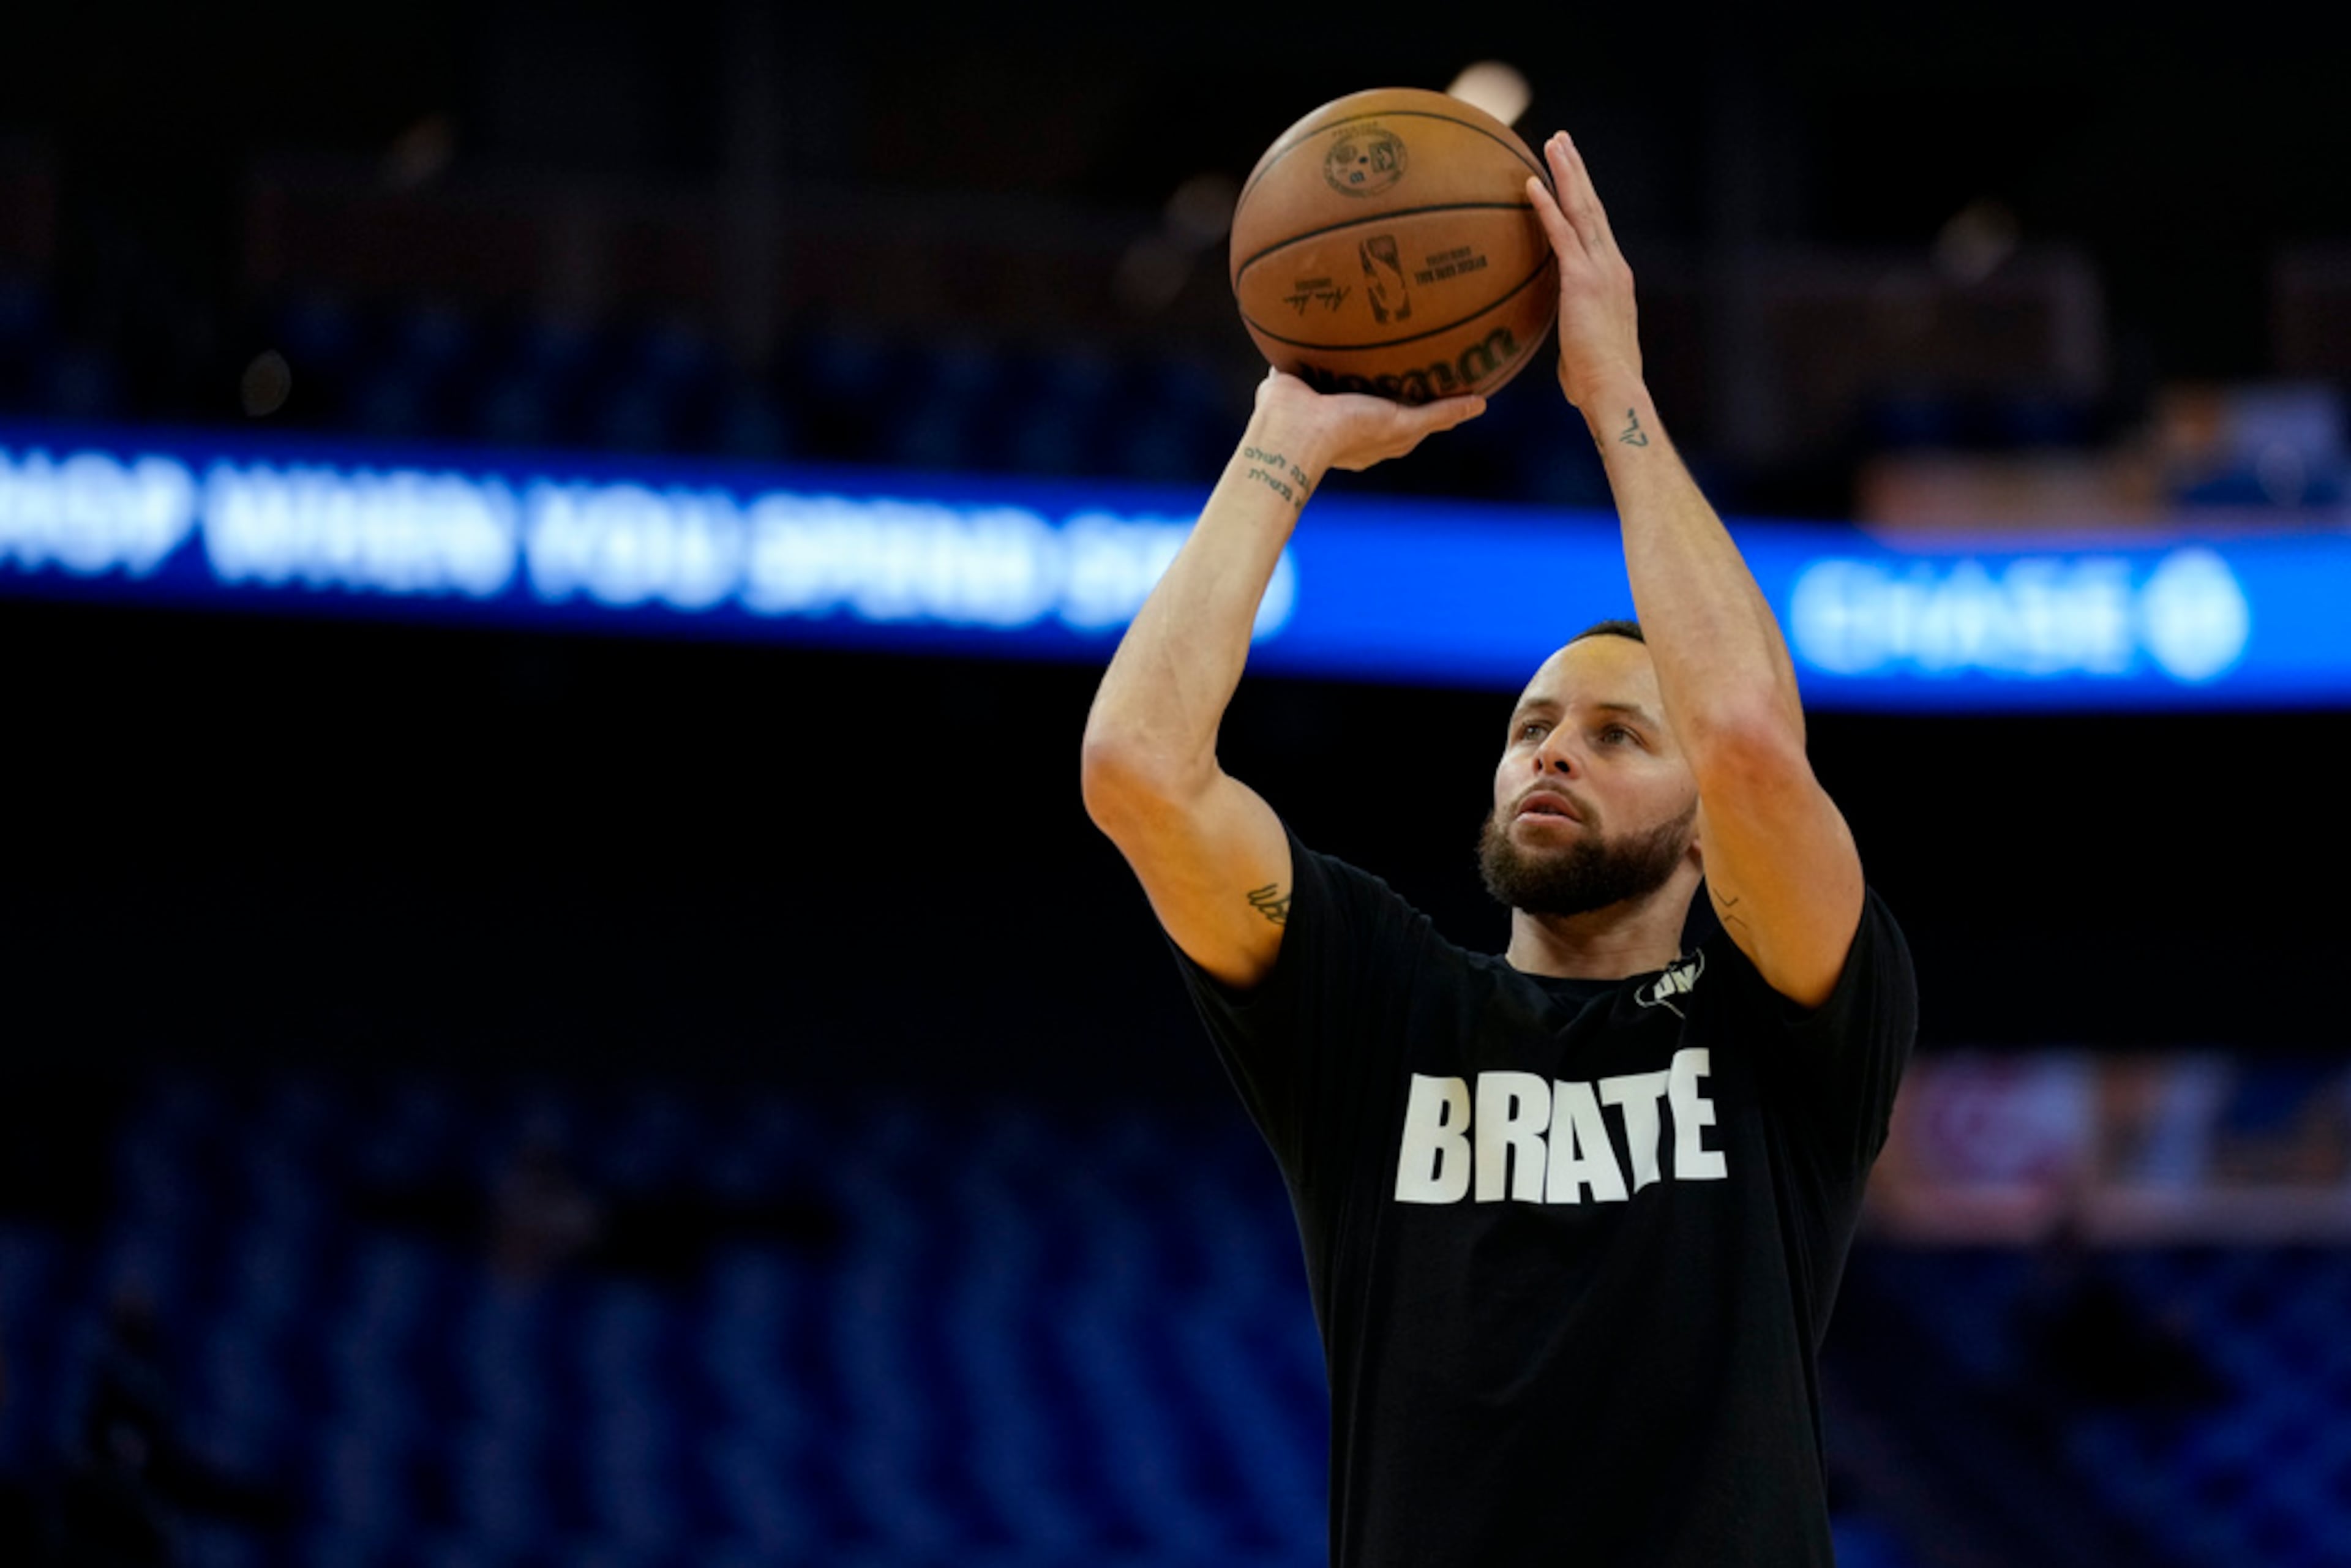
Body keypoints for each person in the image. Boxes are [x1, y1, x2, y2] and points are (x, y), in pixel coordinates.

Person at [1080, 129, 1918, 1567]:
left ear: (1703, 814)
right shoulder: (1378, 1002)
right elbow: (1137, 768)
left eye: (1614, 734)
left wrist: (1619, 399)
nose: (1553, 751)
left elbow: (1751, 743)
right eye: (1535, 723)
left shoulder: (1778, 1025)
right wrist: (1281, 443)